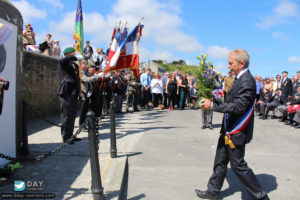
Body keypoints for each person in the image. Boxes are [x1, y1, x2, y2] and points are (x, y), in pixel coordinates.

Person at [198, 49, 269, 200]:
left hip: (237, 131)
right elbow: (231, 102)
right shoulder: (239, 79)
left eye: (231, 63)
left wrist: (212, 107)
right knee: (220, 160)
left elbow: (238, 107)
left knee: (238, 165)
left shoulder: (247, 81)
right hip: (229, 128)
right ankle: (213, 191)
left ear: (241, 63)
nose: (228, 66)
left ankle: (261, 197)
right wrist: (213, 99)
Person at [58, 47, 83, 144]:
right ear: (68, 54)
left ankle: (70, 134)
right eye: (73, 53)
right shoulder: (62, 62)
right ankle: (65, 137)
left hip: (74, 91)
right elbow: (64, 59)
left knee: (72, 115)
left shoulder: (74, 65)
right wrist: (75, 57)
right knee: (66, 115)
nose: (74, 55)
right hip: (66, 91)